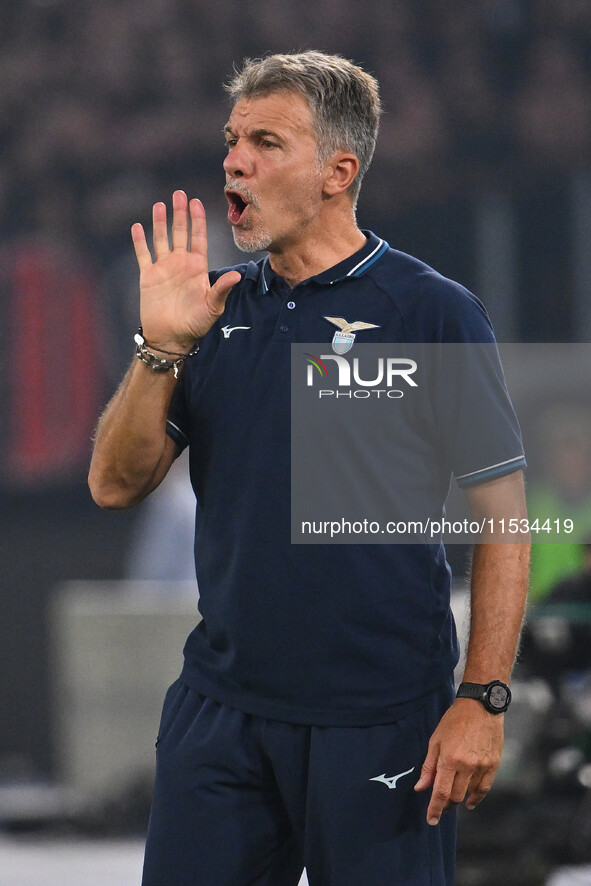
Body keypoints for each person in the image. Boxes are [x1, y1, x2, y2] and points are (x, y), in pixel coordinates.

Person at [88, 51, 530, 886]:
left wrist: (483, 697)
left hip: (383, 721)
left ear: (338, 170)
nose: (233, 160)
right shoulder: (211, 314)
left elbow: (501, 519)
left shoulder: (429, 310)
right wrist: (159, 350)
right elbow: (116, 483)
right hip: (221, 714)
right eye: (230, 140)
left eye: (264, 141)